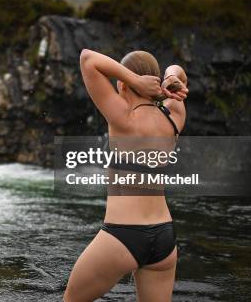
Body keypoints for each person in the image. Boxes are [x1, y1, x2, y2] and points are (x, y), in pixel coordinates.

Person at [64, 49, 188, 302]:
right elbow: (178, 70)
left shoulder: (123, 117)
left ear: (122, 85)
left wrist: (133, 79)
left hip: (123, 236)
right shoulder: (173, 117)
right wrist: (171, 77)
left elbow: (88, 58)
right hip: (164, 238)